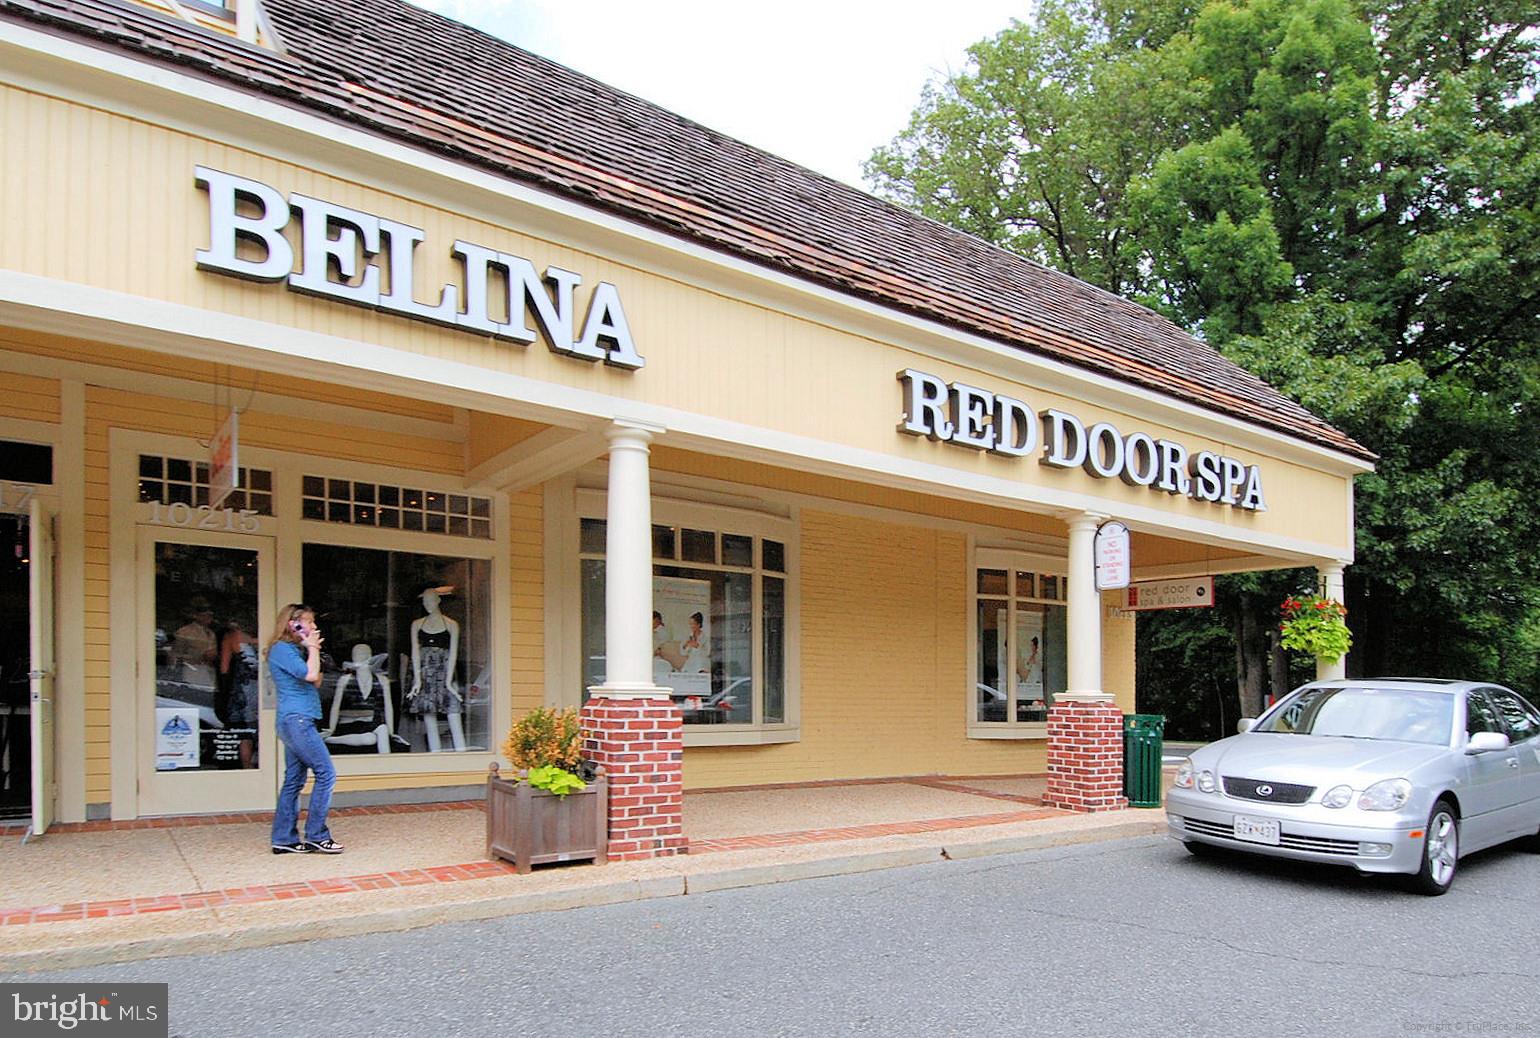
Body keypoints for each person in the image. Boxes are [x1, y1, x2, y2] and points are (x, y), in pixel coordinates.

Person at [267, 603, 343, 855]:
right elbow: (310, 677)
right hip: (296, 720)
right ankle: (316, 835)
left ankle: (284, 838)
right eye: (308, 622)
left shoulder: (295, 651)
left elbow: (317, 678)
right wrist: (310, 647)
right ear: (293, 623)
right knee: (326, 773)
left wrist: (312, 650)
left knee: (294, 780)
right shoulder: (281, 649)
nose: (313, 627)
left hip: (299, 720)